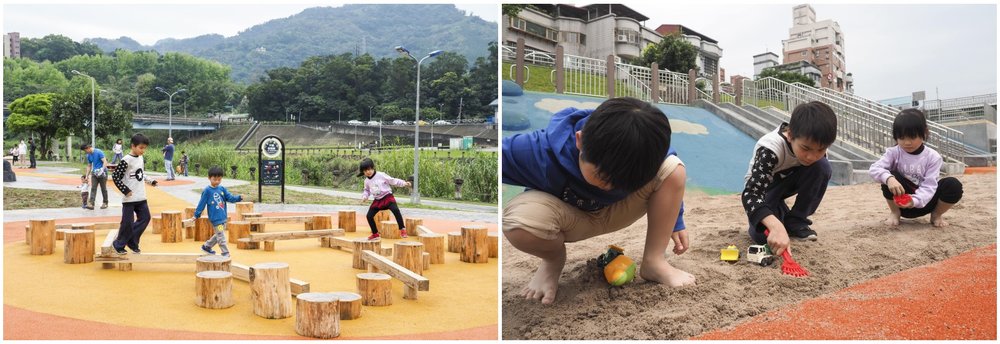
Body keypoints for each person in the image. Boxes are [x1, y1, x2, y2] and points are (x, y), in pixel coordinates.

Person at [502, 97, 692, 304]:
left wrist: (676, 219)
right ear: (579, 141)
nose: (611, 186)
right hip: (567, 219)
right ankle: (552, 260)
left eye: (625, 181)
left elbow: (666, 171)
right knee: (519, 224)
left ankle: (654, 262)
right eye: (602, 177)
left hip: (618, 212)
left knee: (674, 169)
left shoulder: (645, 150)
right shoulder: (538, 151)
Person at [741, 101, 838, 259]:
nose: (811, 156)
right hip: (765, 189)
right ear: (791, 135)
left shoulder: (817, 150)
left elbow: (816, 173)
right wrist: (775, 226)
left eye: (821, 149)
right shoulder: (770, 149)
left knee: (822, 166)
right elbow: (750, 195)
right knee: (762, 237)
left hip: (788, 182)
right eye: (805, 148)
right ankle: (779, 214)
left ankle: (796, 220)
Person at [869, 109, 963, 227]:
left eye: (912, 137)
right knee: (889, 175)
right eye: (902, 138)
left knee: (953, 184)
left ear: (924, 133)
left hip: (926, 202)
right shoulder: (893, 152)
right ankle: (895, 213)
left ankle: (936, 215)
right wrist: (889, 178)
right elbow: (874, 169)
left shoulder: (933, 157)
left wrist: (914, 201)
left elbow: (930, 186)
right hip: (900, 202)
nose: (907, 143)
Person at [110, 133, 158, 255]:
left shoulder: (140, 158)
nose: (143, 150)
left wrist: (150, 181)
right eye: (141, 148)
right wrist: (125, 190)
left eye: (145, 148)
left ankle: (132, 241)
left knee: (145, 218)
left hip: (141, 196)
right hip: (129, 198)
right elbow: (115, 176)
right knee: (127, 223)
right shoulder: (126, 160)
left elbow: (140, 174)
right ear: (133, 146)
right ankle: (118, 244)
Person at [193, 166, 243, 257]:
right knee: (221, 236)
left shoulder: (222, 189)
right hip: (215, 218)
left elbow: (230, 198)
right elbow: (201, 204)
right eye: (214, 179)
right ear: (209, 178)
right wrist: (196, 214)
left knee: (219, 234)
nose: (217, 181)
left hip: (223, 216)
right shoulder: (207, 191)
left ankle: (207, 246)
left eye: (219, 179)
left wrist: (238, 198)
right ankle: (225, 253)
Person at [359, 158, 411, 240]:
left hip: (387, 197)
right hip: (377, 200)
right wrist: (364, 196)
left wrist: (404, 183)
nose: (367, 172)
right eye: (365, 171)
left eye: (369, 169)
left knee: (396, 210)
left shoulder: (381, 175)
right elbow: (366, 190)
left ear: (373, 168)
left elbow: (392, 181)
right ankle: (375, 233)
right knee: (369, 216)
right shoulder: (366, 181)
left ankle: (402, 229)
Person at [80, 143, 110, 209]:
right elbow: (89, 165)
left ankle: (105, 203)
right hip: (94, 173)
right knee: (93, 188)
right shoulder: (88, 155)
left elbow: (105, 161)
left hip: (103, 173)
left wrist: (102, 170)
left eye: (85, 150)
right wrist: (87, 176)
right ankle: (91, 204)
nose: (85, 152)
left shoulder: (99, 152)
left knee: (103, 188)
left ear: (88, 148)